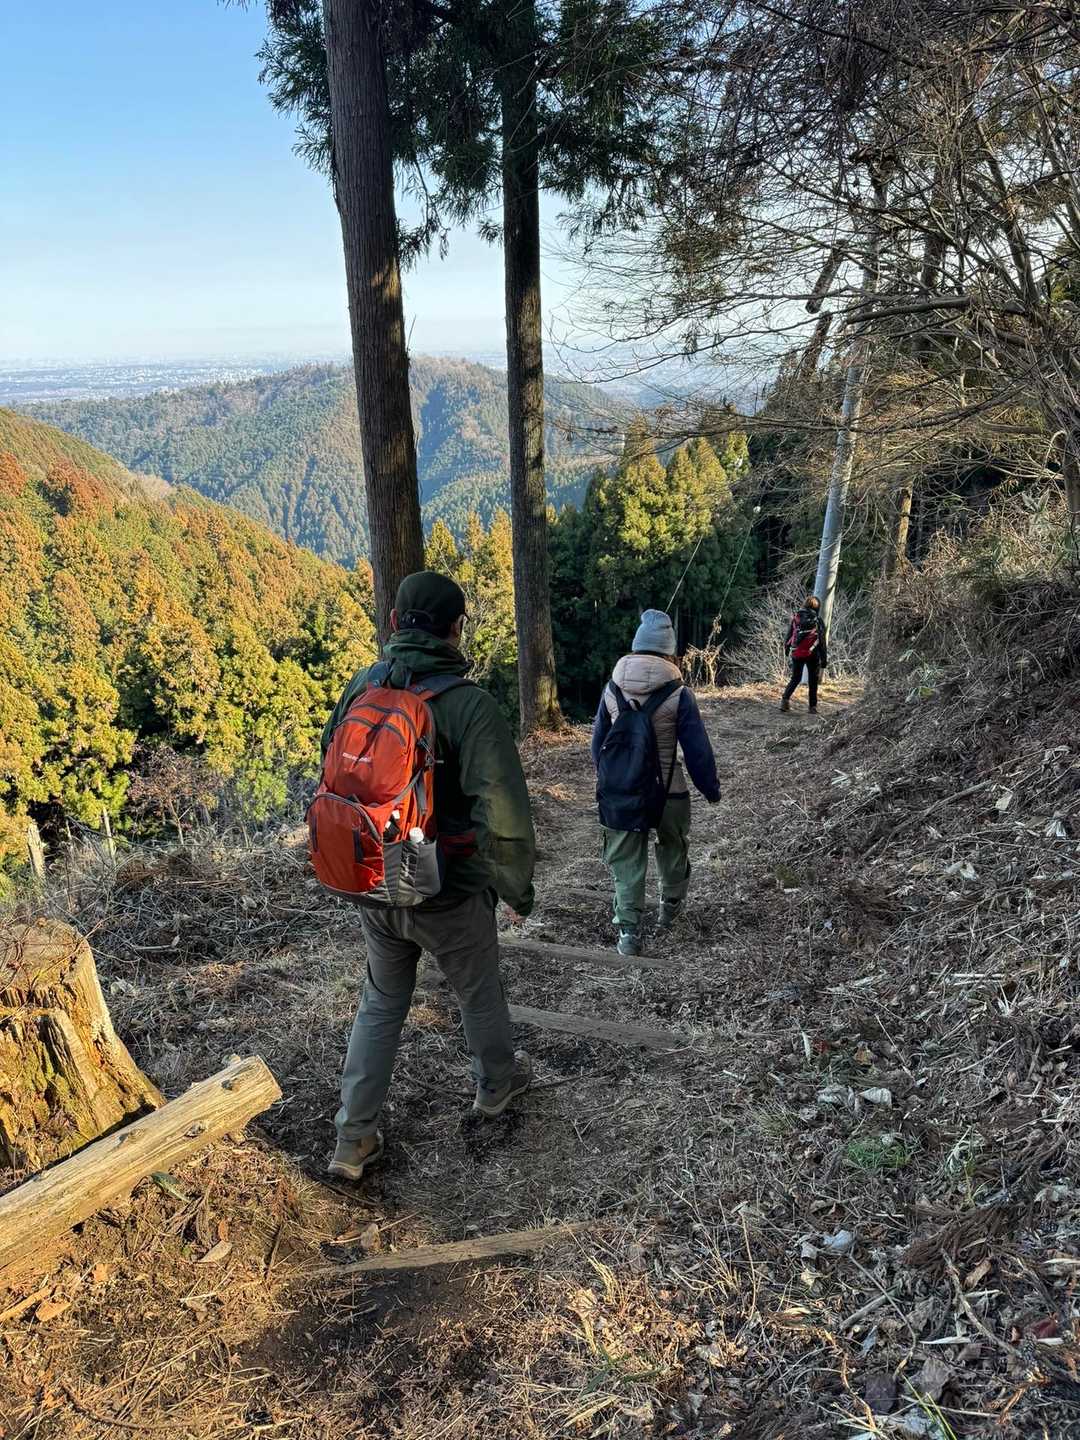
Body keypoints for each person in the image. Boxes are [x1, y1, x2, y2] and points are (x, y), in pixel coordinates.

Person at [322, 571, 536, 1181]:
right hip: (450, 889)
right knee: (477, 991)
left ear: (394, 623)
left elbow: (334, 770)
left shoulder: (363, 686)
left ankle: (353, 1137)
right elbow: (502, 812)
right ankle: (495, 1089)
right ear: (456, 629)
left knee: (380, 1002)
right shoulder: (470, 706)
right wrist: (516, 889)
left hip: (374, 882)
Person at [591, 609, 721, 957]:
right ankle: (669, 912)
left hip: (622, 791)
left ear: (637, 645)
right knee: (673, 847)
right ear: (670, 650)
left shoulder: (612, 687)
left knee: (626, 859)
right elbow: (697, 750)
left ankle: (629, 933)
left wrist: (612, 779)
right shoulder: (679, 693)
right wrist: (710, 789)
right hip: (668, 790)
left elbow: (598, 744)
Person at [780, 593, 827, 715]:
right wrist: (824, 659)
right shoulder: (818, 621)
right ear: (817, 607)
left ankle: (785, 700)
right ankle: (812, 707)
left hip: (797, 652)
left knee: (795, 678)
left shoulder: (797, 618)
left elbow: (790, 634)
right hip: (813, 653)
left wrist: (787, 648)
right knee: (813, 680)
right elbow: (822, 641)